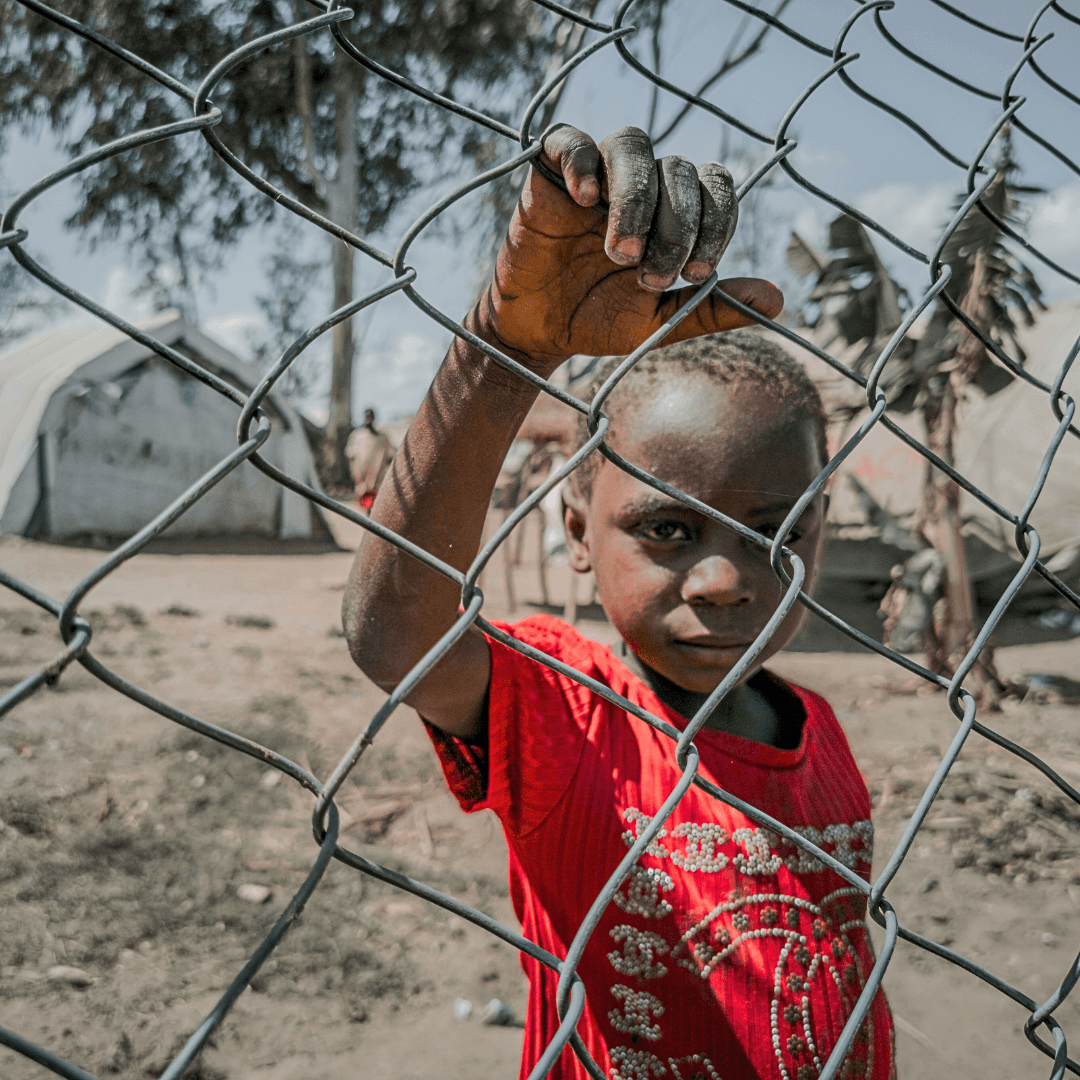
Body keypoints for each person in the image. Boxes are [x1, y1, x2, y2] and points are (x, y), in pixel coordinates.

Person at [342, 125, 894, 1080]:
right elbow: (397, 637)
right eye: (669, 532)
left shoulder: (825, 735)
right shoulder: (571, 714)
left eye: (776, 533)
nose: (727, 582)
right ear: (575, 532)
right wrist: (504, 350)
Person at [344, 407, 395, 511]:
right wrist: (355, 476)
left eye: (370, 417)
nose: (369, 419)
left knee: (375, 508)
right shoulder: (357, 435)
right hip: (361, 481)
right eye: (367, 416)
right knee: (362, 507)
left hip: (376, 481)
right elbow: (350, 455)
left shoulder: (382, 437)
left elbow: (390, 455)